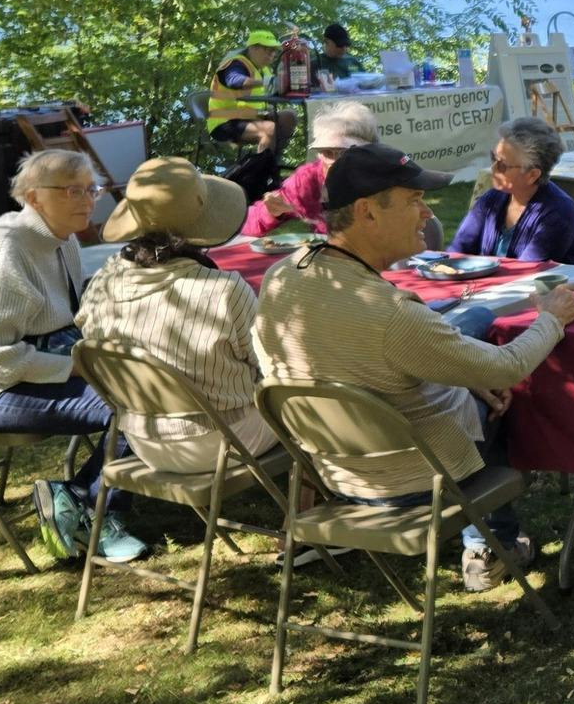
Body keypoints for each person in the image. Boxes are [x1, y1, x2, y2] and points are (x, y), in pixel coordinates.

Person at [253, 142, 574, 591]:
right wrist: (551, 318)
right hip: (411, 482)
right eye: (414, 201)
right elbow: (507, 366)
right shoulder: (391, 314)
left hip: (335, 471)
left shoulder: (282, 276)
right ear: (368, 212)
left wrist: (467, 378)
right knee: (504, 397)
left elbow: (369, 363)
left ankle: (488, 542)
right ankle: (493, 547)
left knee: (477, 381)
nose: (428, 214)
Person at [0, 149, 143, 563]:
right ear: (34, 198)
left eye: (92, 189)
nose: (88, 200)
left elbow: (63, 318)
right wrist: (77, 365)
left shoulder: (61, 237)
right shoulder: (3, 255)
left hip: (23, 366)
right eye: (73, 191)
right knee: (131, 403)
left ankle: (74, 497)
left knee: (152, 380)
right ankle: (90, 509)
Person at [76, 157, 278, 474]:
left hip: (143, 441)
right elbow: (269, 365)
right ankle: (328, 496)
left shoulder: (101, 284)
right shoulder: (223, 290)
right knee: (296, 390)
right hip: (229, 440)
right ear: (201, 222)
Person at [450, 118, 574, 265]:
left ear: (532, 175)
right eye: (493, 158)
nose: (493, 168)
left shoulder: (558, 212)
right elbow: (457, 252)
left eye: (502, 165)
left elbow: (524, 273)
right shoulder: (491, 200)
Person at [242, 100, 377, 238]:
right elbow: (247, 222)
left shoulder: (385, 176)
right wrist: (271, 211)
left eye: (345, 152)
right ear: (319, 153)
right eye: (327, 152)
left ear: (368, 151)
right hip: (331, 256)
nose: (335, 161)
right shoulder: (309, 179)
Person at [207, 29, 298, 195]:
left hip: (248, 118)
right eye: (267, 50)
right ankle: (256, 185)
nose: (272, 55)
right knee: (268, 129)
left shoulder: (265, 70)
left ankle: (271, 167)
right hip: (223, 122)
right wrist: (268, 82)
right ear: (253, 48)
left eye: (273, 51)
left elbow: (270, 91)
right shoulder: (235, 63)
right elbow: (235, 81)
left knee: (288, 117)